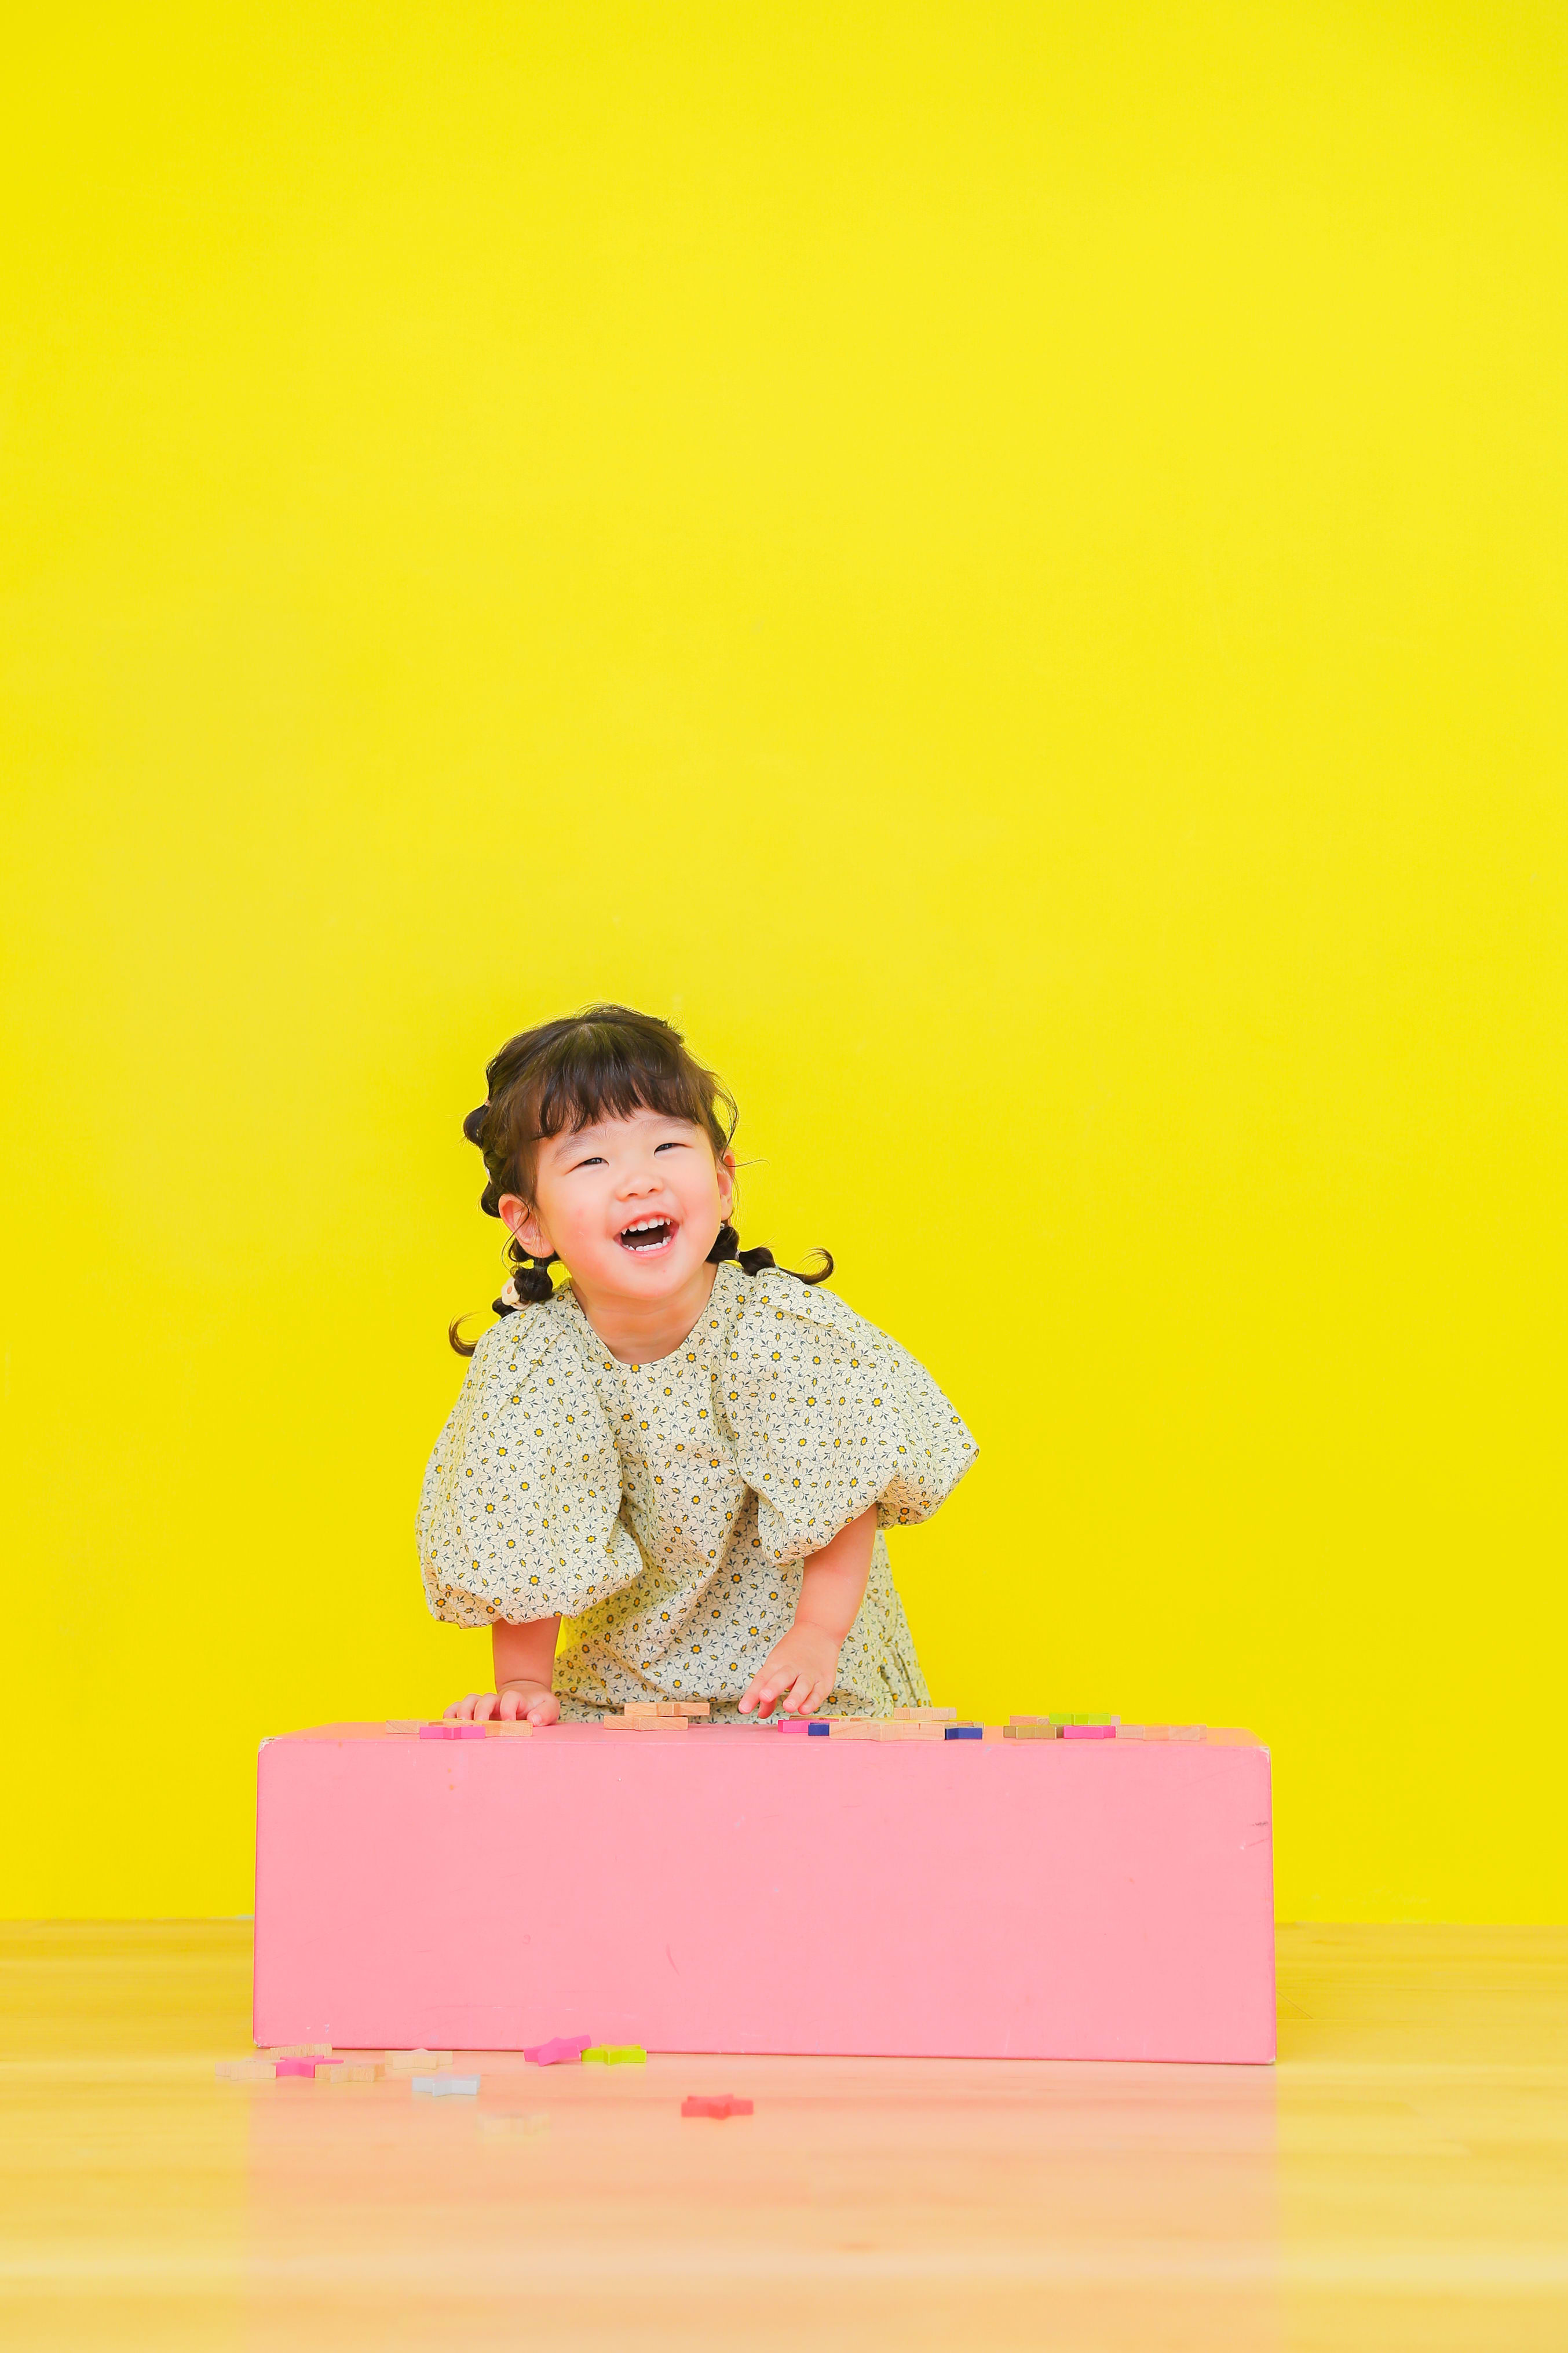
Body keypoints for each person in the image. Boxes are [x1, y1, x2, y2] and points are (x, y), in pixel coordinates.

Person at [419, 1004, 977, 1725]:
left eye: (667, 1146)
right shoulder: (536, 1363)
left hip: (809, 1682)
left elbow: (842, 1488)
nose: (639, 1181)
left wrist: (817, 1635)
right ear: (529, 1223)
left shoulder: (776, 1330)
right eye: (591, 1160)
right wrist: (525, 1684)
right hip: (624, 1697)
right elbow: (532, 1534)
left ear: (722, 1180)